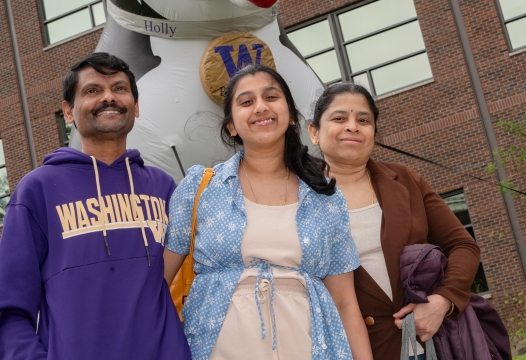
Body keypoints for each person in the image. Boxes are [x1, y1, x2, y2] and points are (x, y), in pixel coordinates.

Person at [0, 53, 190, 360]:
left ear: (136, 105)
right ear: (68, 111)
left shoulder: (164, 188)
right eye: (93, 91)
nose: (109, 97)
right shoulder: (37, 190)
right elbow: (7, 312)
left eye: (119, 89)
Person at [163, 64, 374, 360]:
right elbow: (159, 282)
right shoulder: (201, 187)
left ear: (289, 115)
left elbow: (344, 301)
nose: (260, 107)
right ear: (232, 126)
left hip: (311, 348)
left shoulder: (325, 196)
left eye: (271, 97)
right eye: (247, 102)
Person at [307, 83, 481, 360]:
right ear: (314, 132)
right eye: (339, 118)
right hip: (354, 352)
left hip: (433, 345)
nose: (352, 126)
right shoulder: (296, 199)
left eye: (363, 120)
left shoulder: (405, 180)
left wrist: (443, 300)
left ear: (373, 132)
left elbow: (462, 245)